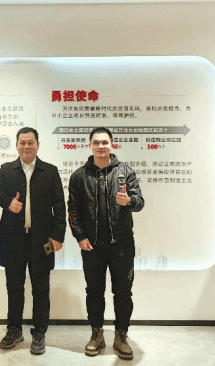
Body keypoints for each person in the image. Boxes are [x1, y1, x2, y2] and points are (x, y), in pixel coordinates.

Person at [67, 127, 145, 360]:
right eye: (96, 142)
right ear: (90, 145)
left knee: (123, 293)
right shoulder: (79, 176)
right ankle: (96, 334)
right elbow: (73, 210)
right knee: (94, 291)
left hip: (121, 245)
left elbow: (140, 202)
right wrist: (80, 236)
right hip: (92, 246)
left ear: (112, 144)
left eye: (104, 142)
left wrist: (129, 201)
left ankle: (121, 336)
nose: (100, 146)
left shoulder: (126, 172)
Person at [0, 127, 66, 355]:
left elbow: (59, 205)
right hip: (13, 240)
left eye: (30, 142)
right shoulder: (6, 170)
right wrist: (8, 202)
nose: (26, 146)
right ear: (16, 145)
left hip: (41, 240)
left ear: (37, 145)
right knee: (14, 287)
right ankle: (14, 329)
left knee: (41, 289)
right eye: (22, 142)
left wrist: (58, 235)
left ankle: (39, 332)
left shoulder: (50, 171)